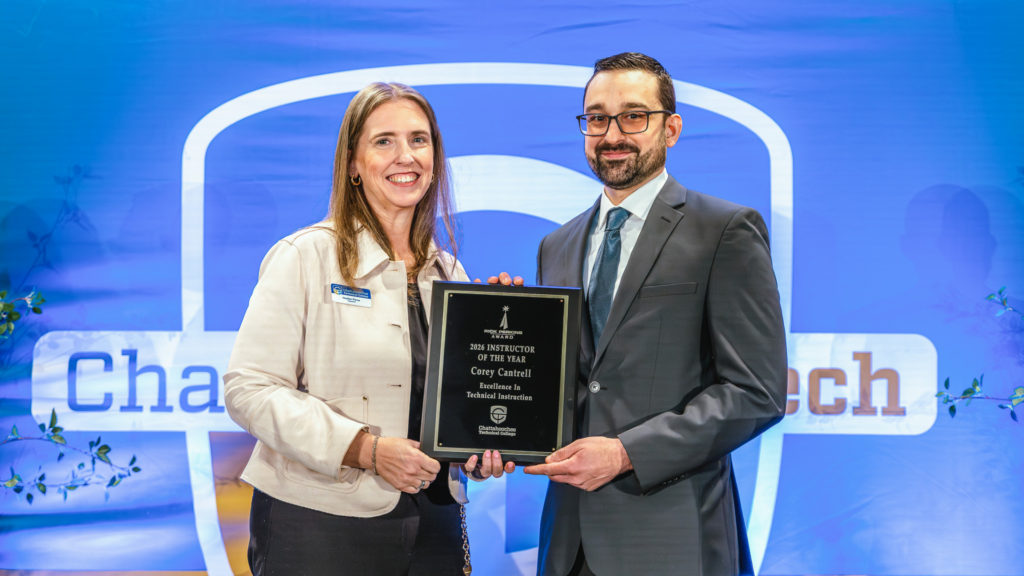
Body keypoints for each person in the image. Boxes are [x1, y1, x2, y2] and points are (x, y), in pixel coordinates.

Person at [224, 82, 514, 575]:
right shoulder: (305, 256)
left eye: (419, 140)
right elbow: (248, 389)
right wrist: (366, 450)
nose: (407, 155)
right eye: (385, 141)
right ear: (353, 164)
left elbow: (451, 407)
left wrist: (482, 444)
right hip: (319, 526)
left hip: (435, 521)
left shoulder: (449, 273)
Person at [515, 53, 788, 575]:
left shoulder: (725, 230)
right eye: (597, 118)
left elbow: (757, 392)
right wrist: (491, 435)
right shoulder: (557, 244)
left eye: (633, 116)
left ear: (671, 129)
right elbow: (562, 388)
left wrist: (626, 452)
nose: (612, 133)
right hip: (567, 544)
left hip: (676, 539)